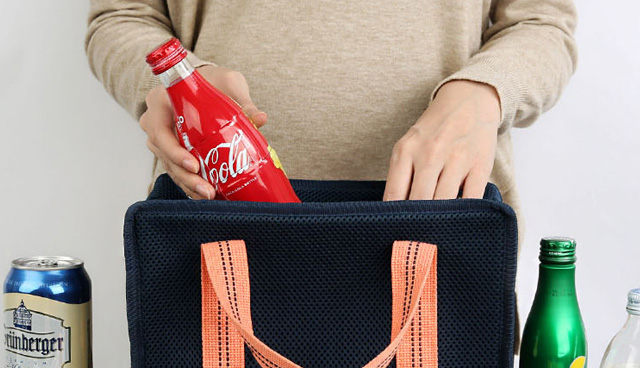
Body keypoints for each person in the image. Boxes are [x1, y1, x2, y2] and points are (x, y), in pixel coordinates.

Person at [85, 1, 577, 212]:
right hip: (214, 213)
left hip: (438, 211)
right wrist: (177, 84)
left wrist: (483, 91)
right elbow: (123, 16)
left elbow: (541, 23)